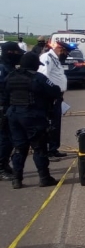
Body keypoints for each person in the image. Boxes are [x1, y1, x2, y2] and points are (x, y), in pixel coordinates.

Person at [4, 52, 62, 188]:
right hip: (32, 116)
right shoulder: (38, 78)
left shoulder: (10, 76)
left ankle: (17, 180)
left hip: (14, 115)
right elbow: (55, 91)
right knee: (39, 147)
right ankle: (44, 178)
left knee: (19, 148)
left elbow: (5, 95)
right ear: (34, 65)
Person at [38, 41, 71, 159]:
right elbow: (43, 77)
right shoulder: (47, 57)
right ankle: (48, 150)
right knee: (51, 124)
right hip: (50, 97)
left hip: (56, 96)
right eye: (65, 52)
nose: (66, 55)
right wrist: (51, 93)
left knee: (56, 124)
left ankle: (53, 148)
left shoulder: (55, 58)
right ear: (60, 49)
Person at [0, 42, 25, 180]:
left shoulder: (9, 67)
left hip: (9, 107)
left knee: (9, 139)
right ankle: (0, 167)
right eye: (16, 53)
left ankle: (4, 164)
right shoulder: (2, 68)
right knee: (4, 139)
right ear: (10, 53)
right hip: (3, 107)